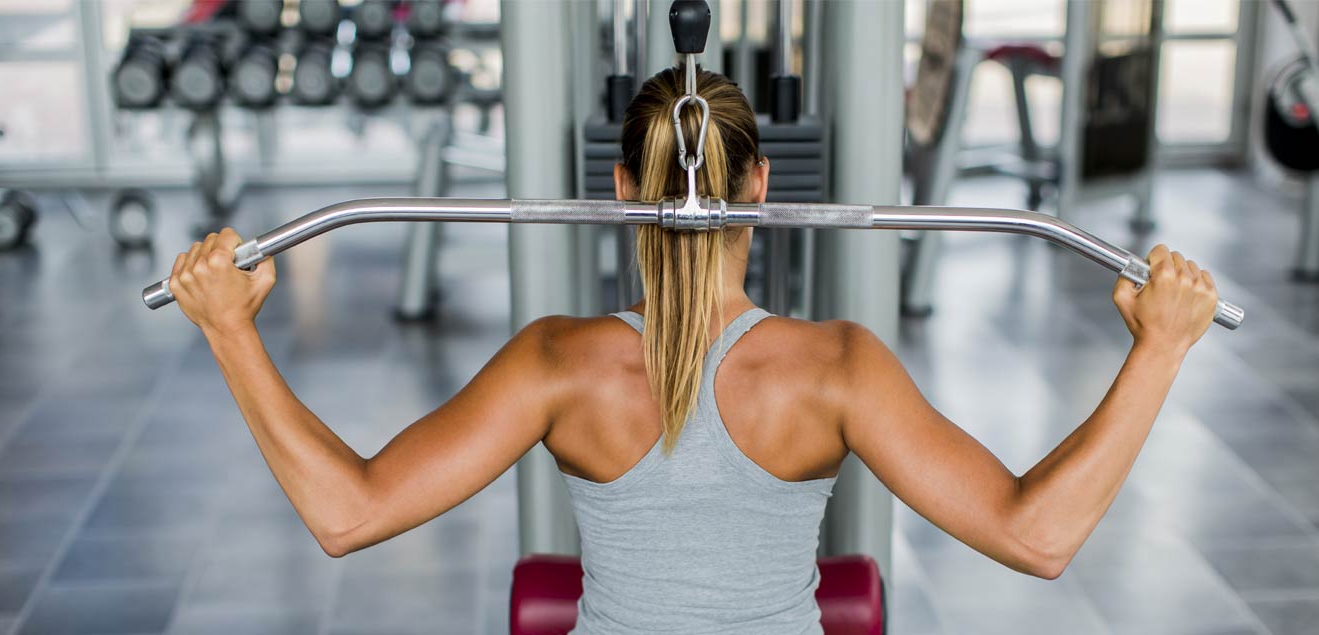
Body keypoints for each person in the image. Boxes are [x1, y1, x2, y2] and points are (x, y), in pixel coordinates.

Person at [167, 67, 1218, 635]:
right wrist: (1157, 349)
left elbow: (348, 513)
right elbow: (1036, 537)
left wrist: (229, 328)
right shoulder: (836, 367)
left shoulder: (555, 363)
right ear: (760, 185)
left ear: (619, 188)